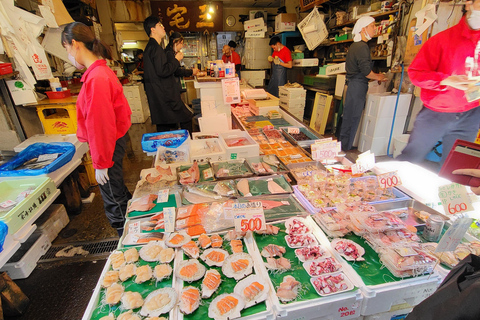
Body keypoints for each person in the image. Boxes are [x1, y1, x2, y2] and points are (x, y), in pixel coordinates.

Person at [61, 22, 132, 237]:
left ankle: (127, 241)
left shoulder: (97, 77)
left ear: (75, 44)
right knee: (117, 191)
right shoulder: (98, 72)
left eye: (66, 49)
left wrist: (101, 163)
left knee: (114, 200)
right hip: (112, 143)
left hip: (108, 146)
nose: (68, 55)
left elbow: (100, 125)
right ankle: (133, 232)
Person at [397, 0, 480, 166]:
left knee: (457, 167)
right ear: (469, 3)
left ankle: (449, 192)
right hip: (435, 114)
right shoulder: (442, 40)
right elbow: (416, 74)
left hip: (472, 114)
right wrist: (445, 80)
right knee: (410, 158)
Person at [339, 16, 386, 151]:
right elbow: (366, 72)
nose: (375, 29)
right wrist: (379, 77)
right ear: (363, 29)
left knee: (348, 116)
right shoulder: (361, 47)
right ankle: (345, 149)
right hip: (357, 86)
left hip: (354, 84)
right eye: (372, 26)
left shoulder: (356, 46)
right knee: (352, 117)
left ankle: (343, 146)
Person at [142, 16, 193, 133]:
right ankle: (187, 145)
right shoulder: (156, 49)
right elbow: (163, 71)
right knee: (186, 118)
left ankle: (169, 149)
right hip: (166, 98)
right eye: (160, 25)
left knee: (165, 129)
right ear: (152, 30)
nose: (163, 27)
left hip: (159, 98)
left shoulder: (151, 48)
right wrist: (176, 60)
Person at [165, 32, 199, 96]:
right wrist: (191, 72)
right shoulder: (169, 53)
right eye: (180, 43)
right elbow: (176, 71)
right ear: (174, 41)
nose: (181, 46)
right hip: (172, 87)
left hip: (173, 87)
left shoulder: (172, 52)